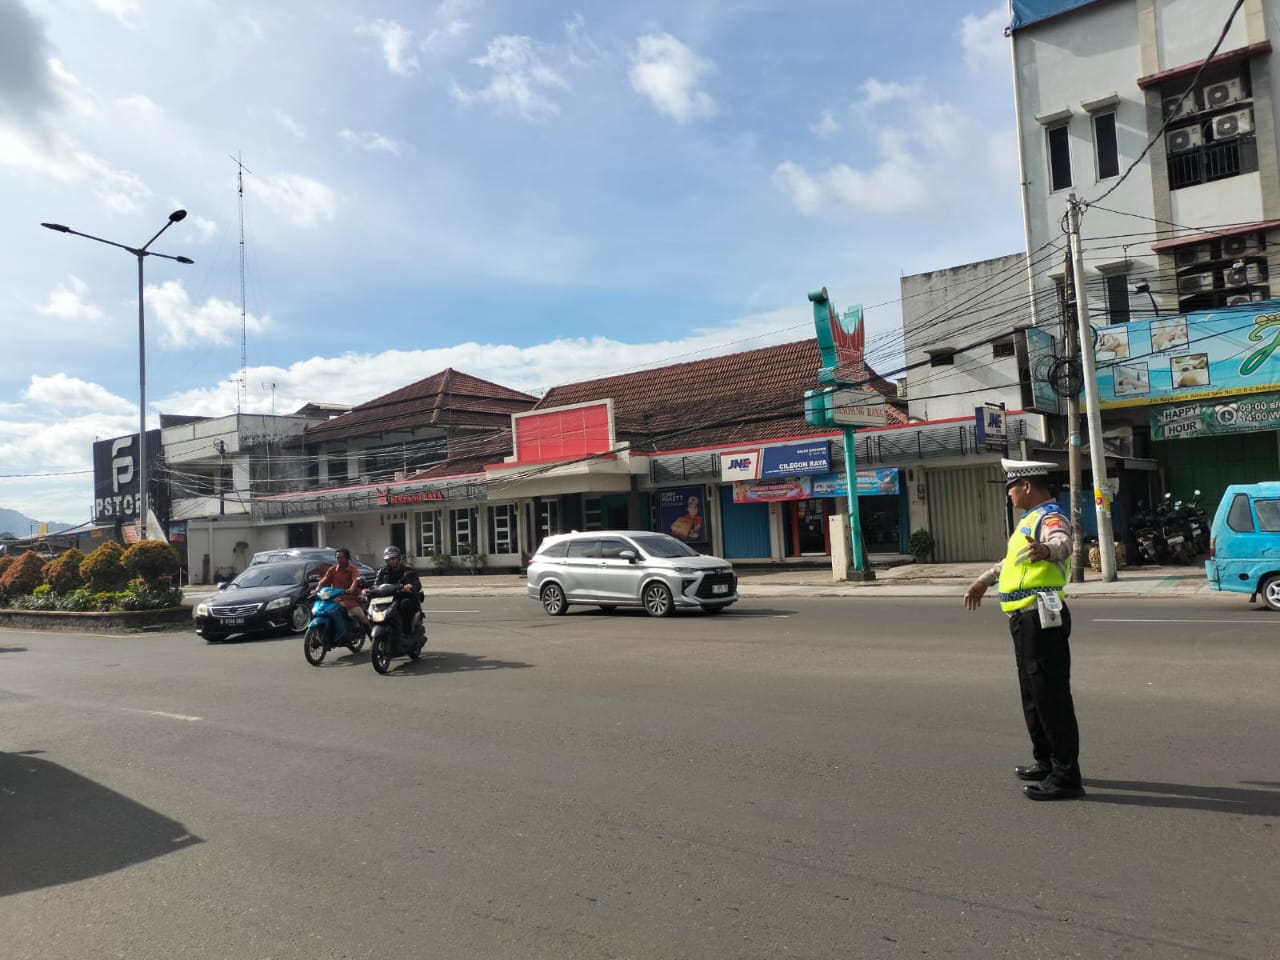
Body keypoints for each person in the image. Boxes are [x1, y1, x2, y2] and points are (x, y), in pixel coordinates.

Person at [962, 458, 1084, 802]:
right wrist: (983, 581)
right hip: (1024, 620)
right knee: (1032, 696)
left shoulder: (1050, 517)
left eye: (1011, 487)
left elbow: (1063, 542)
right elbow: (1009, 563)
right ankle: (1045, 761)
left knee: (1051, 697)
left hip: (1041, 618)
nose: (1010, 494)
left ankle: (1066, 777)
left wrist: (1047, 550)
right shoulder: (1027, 522)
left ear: (1027, 485)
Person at [315, 547, 370, 637]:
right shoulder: (332, 569)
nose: (339, 560)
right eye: (337, 558)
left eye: (341, 558)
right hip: (335, 599)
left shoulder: (352, 569)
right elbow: (323, 581)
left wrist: (351, 588)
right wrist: (317, 589)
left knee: (361, 616)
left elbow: (355, 580)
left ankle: (373, 638)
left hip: (351, 599)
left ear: (347, 558)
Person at [374, 545, 423, 638]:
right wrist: (368, 590)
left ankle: (407, 631)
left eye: (393, 558)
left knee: (405, 603)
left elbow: (417, 585)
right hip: (387, 598)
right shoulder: (382, 571)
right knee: (372, 605)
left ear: (398, 558)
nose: (391, 561)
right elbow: (376, 584)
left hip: (403, 596)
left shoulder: (409, 571)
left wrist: (410, 586)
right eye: (388, 559)